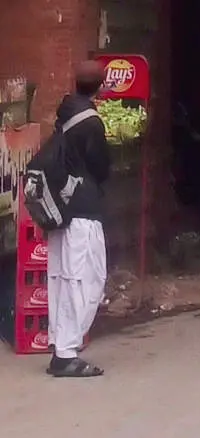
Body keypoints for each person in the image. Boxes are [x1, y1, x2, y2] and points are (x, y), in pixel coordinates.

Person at [46, 60, 111, 378]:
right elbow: (102, 168)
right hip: (83, 210)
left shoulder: (65, 114)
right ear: (100, 86)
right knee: (87, 279)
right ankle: (66, 354)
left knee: (61, 278)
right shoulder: (91, 122)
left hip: (61, 209)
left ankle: (60, 346)